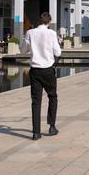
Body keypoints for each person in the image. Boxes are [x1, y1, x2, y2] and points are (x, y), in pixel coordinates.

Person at [21, 12, 61, 140]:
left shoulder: (30, 33)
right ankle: (52, 126)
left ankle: (36, 133)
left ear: (39, 21)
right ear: (49, 22)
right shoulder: (52, 33)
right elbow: (58, 52)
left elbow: (23, 51)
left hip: (35, 70)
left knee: (36, 101)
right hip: (48, 70)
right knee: (53, 96)